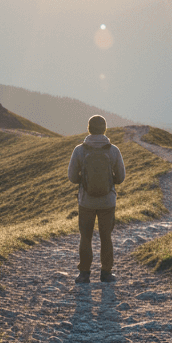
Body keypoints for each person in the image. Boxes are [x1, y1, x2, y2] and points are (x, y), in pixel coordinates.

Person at [67, 115, 126, 284]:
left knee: (85, 237)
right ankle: (106, 273)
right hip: (108, 202)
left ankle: (84, 274)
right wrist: (108, 182)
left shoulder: (79, 150)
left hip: (86, 201)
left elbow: (72, 177)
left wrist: (85, 181)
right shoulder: (113, 150)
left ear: (89, 129)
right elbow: (121, 177)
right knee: (106, 237)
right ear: (105, 129)